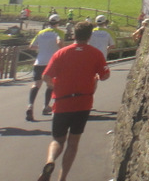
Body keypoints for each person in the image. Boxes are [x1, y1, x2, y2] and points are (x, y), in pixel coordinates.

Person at [36, 20, 110, 181]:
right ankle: (62, 178)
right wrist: (96, 76)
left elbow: (46, 76)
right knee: (73, 142)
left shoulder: (61, 53)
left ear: (74, 35)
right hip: (83, 102)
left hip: (62, 102)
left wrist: (53, 86)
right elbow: (105, 76)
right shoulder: (95, 53)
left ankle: (50, 161)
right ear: (89, 36)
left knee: (58, 139)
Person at [27, 14, 65, 120]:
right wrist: (62, 49)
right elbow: (59, 42)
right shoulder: (59, 32)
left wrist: (43, 47)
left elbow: (31, 46)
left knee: (36, 84)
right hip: (51, 62)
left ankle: (30, 105)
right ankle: (45, 106)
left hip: (39, 62)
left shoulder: (41, 32)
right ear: (58, 23)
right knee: (50, 85)